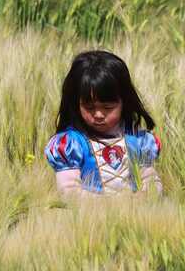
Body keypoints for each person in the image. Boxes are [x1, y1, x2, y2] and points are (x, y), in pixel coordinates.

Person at [44, 50, 162, 198]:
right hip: (87, 218)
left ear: (124, 102)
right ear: (76, 103)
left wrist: (144, 197)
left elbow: (151, 181)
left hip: (135, 215)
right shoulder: (72, 144)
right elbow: (69, 192)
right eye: (89, 107)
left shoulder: (138, 141)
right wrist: (109, 206)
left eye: (108, 108)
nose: (98, 114)